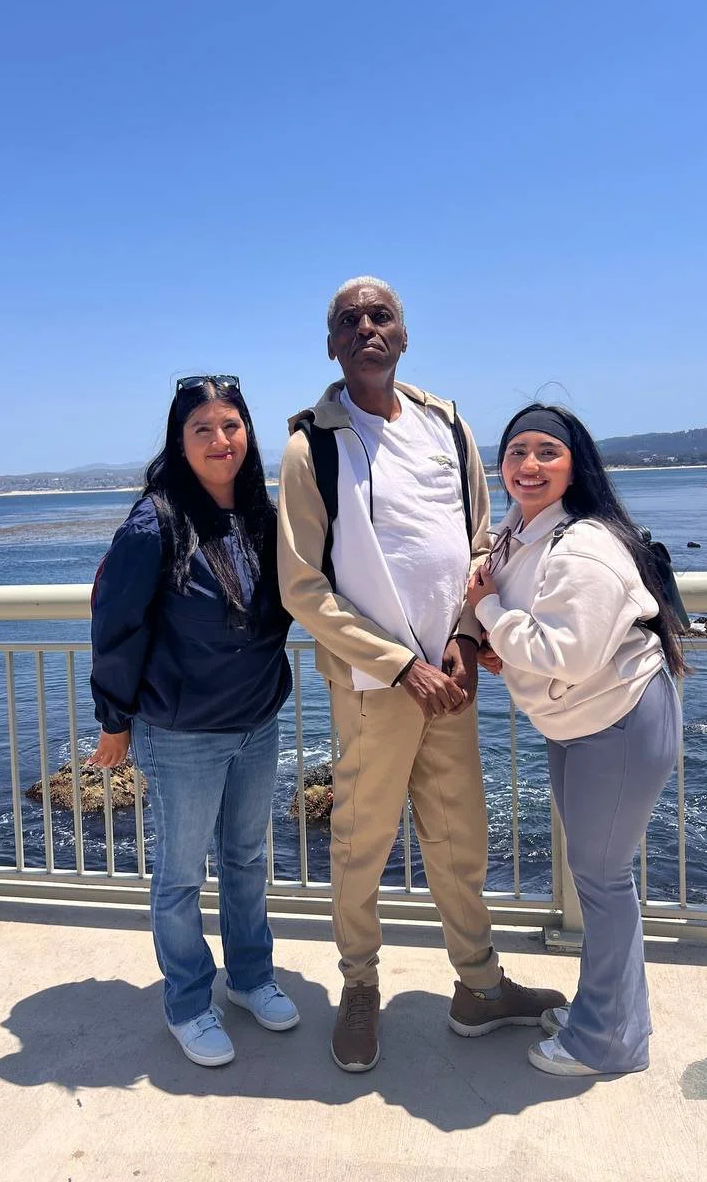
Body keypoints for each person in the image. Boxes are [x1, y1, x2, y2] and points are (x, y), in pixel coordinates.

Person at [277, 276, 564, 1073]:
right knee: (361, 847)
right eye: (349, 320)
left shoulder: (447, 423)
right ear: (331, 344)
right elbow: (302, 585)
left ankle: (478, 987)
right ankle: (360, 989)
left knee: (459, 839)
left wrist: (466, 643)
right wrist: (401, 664)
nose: (368, 327)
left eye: (382, 316)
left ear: (403, 334)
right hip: (378, 689)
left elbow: (480, 544)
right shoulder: (313, 447)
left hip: (453, 679)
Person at [466, 403, 685, 1077]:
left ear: (573, 464)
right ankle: (609, 1011)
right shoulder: (522, 527)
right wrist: (504, 639)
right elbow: (518, 601)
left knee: (603, 879)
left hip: (616, 720)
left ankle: (607, 1043)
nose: (528, 466)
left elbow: (568, 650)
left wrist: (488, 614)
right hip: (582, 722)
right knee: (598, 877)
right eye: (516, 452)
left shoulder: (584, 546)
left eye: (546, 453)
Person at [88, 375, 299, 1068]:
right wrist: (114, 722)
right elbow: (116, 627)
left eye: (230, 426)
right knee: (180, 875)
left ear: (248, 434)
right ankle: (187, 1000)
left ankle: (249, 976)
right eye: (202, 428)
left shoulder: (266, 517)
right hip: (182, 735)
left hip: (256, 723)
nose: (220, 440)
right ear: (180, 442)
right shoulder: (155, 523)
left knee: (246, 859)